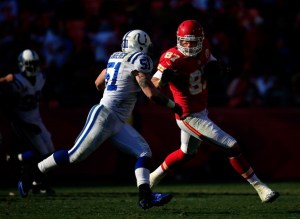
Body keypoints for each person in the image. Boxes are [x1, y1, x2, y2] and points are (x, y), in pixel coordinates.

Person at [18, 30, 182, 209]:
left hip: (117, 120)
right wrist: (174, 106)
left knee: (143, 151)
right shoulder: (140, 60)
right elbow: (151, 94)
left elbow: (98, 83)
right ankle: (33, 171)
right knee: (74, 156)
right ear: (141, 44)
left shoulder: (115, 57)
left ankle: (145, 196)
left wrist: (116, 90)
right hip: (105, 115)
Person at [149, 20, 279, 203]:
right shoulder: (171, 58)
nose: (188, 45)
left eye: (193, 41)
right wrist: (163, 80)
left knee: (186, 153)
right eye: (184, 41)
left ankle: (152, 178)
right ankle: (261, 188)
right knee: (231, 145)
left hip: (201, 110)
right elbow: (153, 85)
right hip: (188, 115)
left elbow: (212, 62)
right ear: (178, 40)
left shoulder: (205, 47)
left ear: (201, 40)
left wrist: (216, 68)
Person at [0, 49, 55, 194]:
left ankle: (16, 159)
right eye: (29, 64)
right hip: (23, 122)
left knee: (50, 151)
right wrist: (4, 79)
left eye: (34, 64)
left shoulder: (40, 78)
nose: (31, 67)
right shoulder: (15, 81)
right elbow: (7, 106)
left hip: (37, 120)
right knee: (42, 152)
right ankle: (38, 182)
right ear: (22, 64)